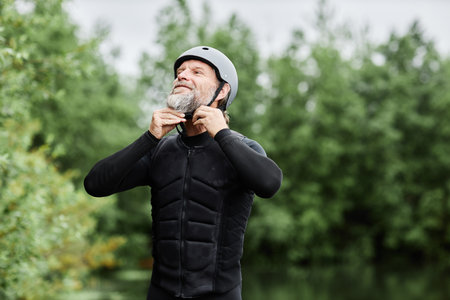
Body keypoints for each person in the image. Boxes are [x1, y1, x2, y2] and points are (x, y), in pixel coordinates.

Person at [84, 46, 283, 299]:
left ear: (222, 91)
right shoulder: (158, 150)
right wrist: (149, 138)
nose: (182, 75)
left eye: (196, 71)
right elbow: (95, 185)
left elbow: (270, 184)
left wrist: (222, 133)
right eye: (180, 71)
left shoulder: (242, 148)